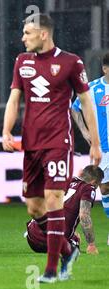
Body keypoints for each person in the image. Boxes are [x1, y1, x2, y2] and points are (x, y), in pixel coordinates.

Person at [2, 13, 102, 283]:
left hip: (58, 141)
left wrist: (95, 142)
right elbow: (14, 99)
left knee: (54, 199)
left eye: (27, 32)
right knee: (34, 209)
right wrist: (6, 130)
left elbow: (87, 103)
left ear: (43, 34)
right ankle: (68, 250)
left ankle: (51, 270)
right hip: (31, 144)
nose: (23, 37)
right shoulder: (22, 62)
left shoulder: (71, 63)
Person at [25, 165, 103, 280]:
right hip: (48, 240)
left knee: (71, 235)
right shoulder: (88, 188)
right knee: (74, 242)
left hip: (32, 236)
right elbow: (84, 215)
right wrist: (91, 244)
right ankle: (63, 266)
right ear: (94, 182)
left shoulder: (69, 181)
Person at [71, 51, 109, 246]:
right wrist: (85, 131)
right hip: (102, 151)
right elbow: (75, 107)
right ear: (105, 68)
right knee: (104, 189)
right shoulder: (93, 88)